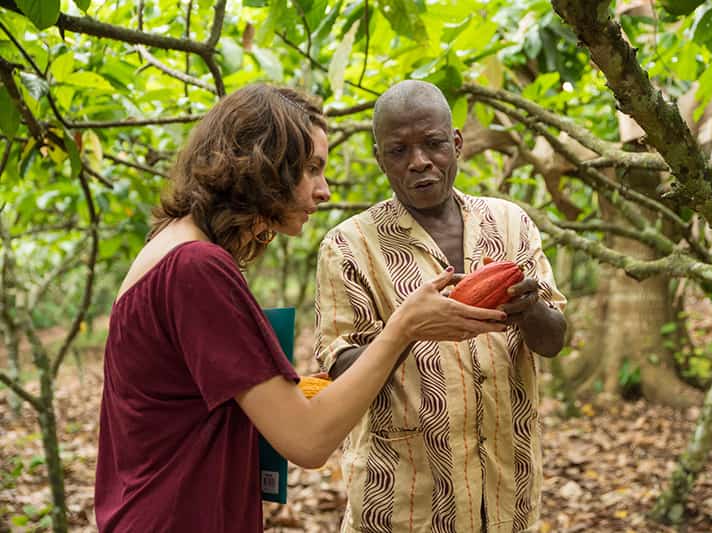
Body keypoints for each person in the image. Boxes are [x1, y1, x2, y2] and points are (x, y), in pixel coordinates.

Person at [93, 83, 508, 532]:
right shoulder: (197, 267)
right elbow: (307, 441)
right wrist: (405, 326)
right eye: (311, 169)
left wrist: (304, 388)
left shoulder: (172, 245)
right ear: (262, 165)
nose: (324, 190)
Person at [314, 80, 568, 533]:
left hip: (508, 500)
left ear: (455, 144)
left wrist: (529, 309)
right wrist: (409, 328)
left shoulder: (511, 224)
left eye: (432, 144)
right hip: (403, 506)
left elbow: (553, 341)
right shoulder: (348, 245)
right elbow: (340, 372)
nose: (419, 162)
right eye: (398, 151)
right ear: (380, 159)